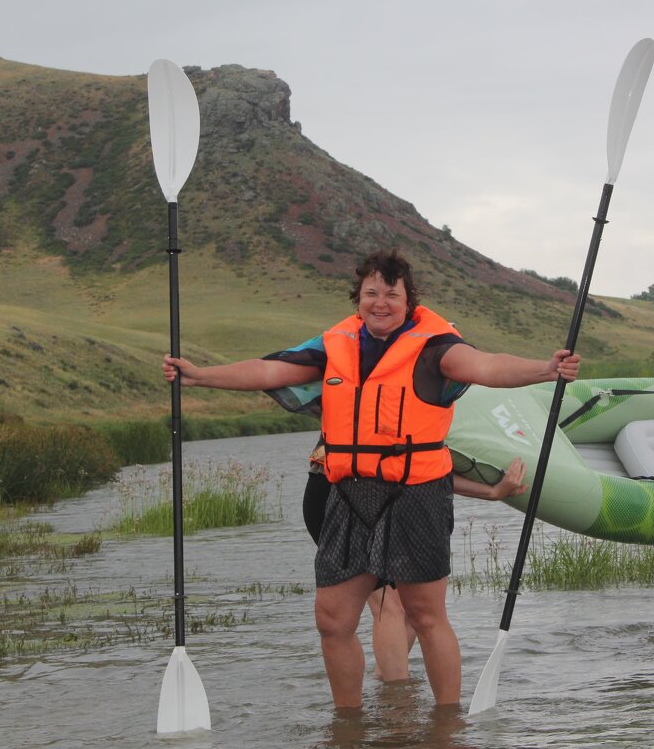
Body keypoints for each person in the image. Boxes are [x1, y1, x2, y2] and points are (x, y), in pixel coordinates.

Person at [162, 248, 579, 710]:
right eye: (371, 293)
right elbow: (268, 369)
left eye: (391, 294)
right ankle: (349, 725)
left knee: (424, 614)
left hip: (415, 494)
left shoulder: (436, 346)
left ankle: (446, 728)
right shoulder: (335, 344)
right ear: (358, 297)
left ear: (408, 301)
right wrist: (200, 377)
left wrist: (545, 368)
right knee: (332, 618)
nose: (380, 302)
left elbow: (487, 366)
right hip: (348, 493)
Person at [302, 443, 528, 682]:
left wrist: (491, 491)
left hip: (357, 490)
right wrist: (489, 492)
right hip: (345, 494)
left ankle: (388, 686)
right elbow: (417, 466)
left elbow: (422, 462)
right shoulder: (404, 414)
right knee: (389, 604)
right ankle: (398, 704)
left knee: (412, 607)